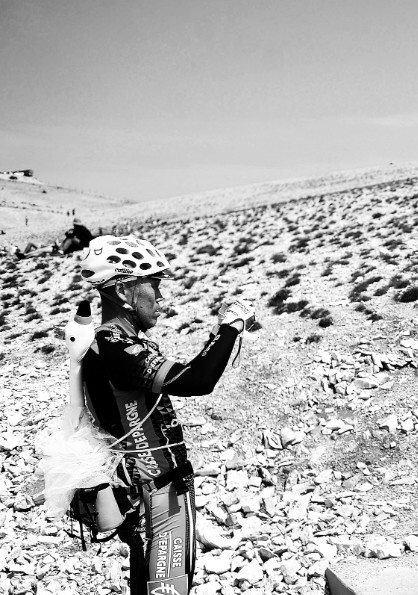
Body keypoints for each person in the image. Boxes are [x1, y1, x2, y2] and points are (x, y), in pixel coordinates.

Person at [77, 235, 254, 594]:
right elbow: (197, 380)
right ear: (125, 292)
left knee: (146, 583)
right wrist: (231, 326)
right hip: (157, 498)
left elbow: (185, 374)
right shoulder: (118, 349)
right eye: (153, 287)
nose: (161, 298)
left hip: (139, 494)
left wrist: (216, 339)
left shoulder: (104, 344)